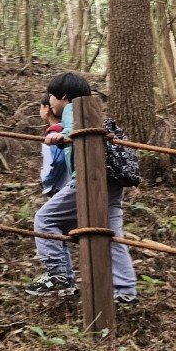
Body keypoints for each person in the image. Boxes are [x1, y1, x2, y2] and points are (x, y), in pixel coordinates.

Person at [25, 72, 138, 305]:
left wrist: (59, 137)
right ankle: (125, 290)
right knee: (113, 235)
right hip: (112, 182)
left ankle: (60, 274)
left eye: (53, 96)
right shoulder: (95, 112)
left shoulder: (71, 109)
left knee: (44, 220)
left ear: (63, 96)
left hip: (89, 180)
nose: (51, 101)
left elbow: (74, 130)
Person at [39, 93, 68, 195]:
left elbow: (59, 160)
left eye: (41, 107)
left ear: (47, 108)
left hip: (60, 188)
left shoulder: (55, 134)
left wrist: (49, 183)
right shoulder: (67, 130)